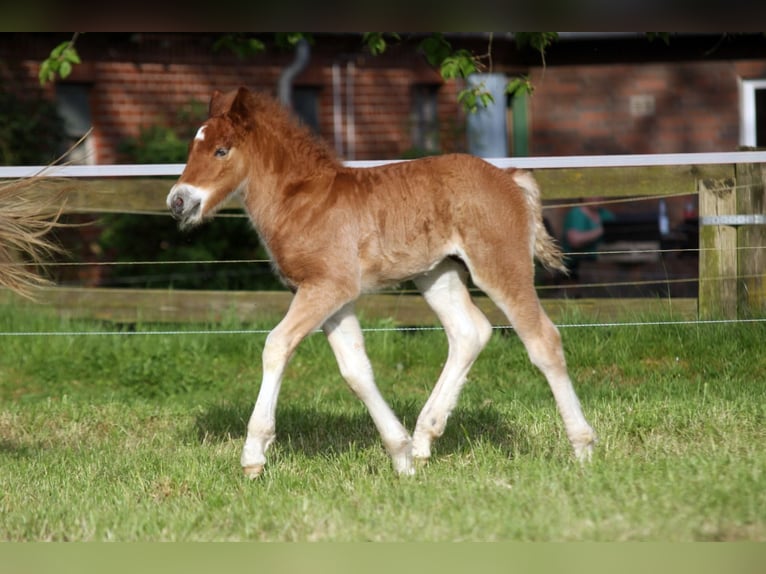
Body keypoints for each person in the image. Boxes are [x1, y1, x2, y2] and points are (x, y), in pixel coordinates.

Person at [561, 197, 615, 278]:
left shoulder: (605, 214)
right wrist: (600, 231)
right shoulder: (576, 214)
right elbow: (575, 241)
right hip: (576, 267)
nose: (598, 196)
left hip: (602, 263)